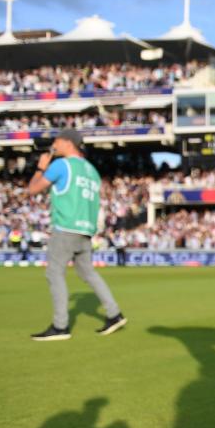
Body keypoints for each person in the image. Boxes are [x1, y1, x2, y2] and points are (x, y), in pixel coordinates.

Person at [27, 129, 126, 340]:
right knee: (88, 273)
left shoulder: (61, 165)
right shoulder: (92, 170)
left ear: (68, 142)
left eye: (56, 141)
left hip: (66, 227)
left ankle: (60, 326)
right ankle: (114, 313)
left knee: (54, 273)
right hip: (85, 228)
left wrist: (40, 168)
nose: (54, 146)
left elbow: (33, 190)